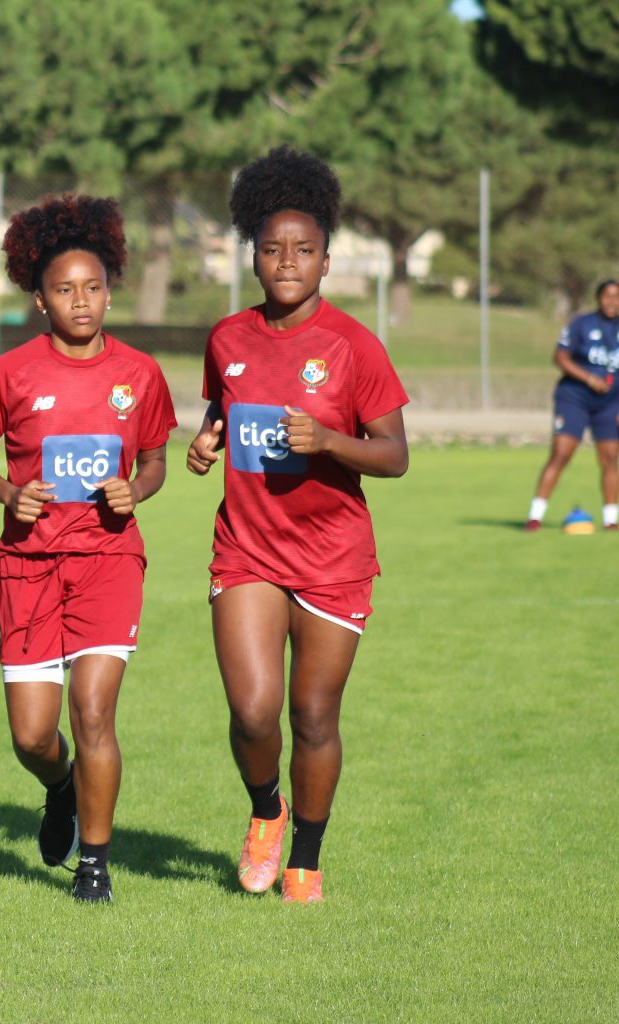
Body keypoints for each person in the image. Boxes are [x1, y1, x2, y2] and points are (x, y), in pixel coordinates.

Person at [186, 147, 409, 903]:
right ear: (253, 254)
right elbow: (224, 407)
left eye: (304, 250)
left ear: (325, 260)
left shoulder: (354, 346)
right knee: (253, 713)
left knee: (313, 714)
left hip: (333, 558)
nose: (287, 261)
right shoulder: (227, 338)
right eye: (273, 248)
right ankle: (264, 813)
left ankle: (306, 860)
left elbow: (395, 455)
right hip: (246, 548)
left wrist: (328, 442)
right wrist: (208, 437)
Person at [0, 195, 176, 903]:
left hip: (110, 563)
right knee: (32, 736)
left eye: (92, 288)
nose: (80, 301)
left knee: (94, 714)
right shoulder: (11, 373)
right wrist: (7, 495)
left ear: (109, 292)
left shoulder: (140, 374)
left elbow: (154, 461)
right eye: (63, 290)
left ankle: (94, 866)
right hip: (26, 566)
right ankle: (60, 789)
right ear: (40, 300)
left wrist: (134, 492)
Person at [523, 279, 619, 531]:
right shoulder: (582, 324)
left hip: (610, 403)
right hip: (574, 398)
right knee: (561, 454)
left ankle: (611, 520)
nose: (612, 301)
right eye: (607, 296)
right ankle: (535, 516)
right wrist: (589, 378)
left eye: (617, 297)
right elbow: (560, 357)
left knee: (610, 459)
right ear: (598, 298)